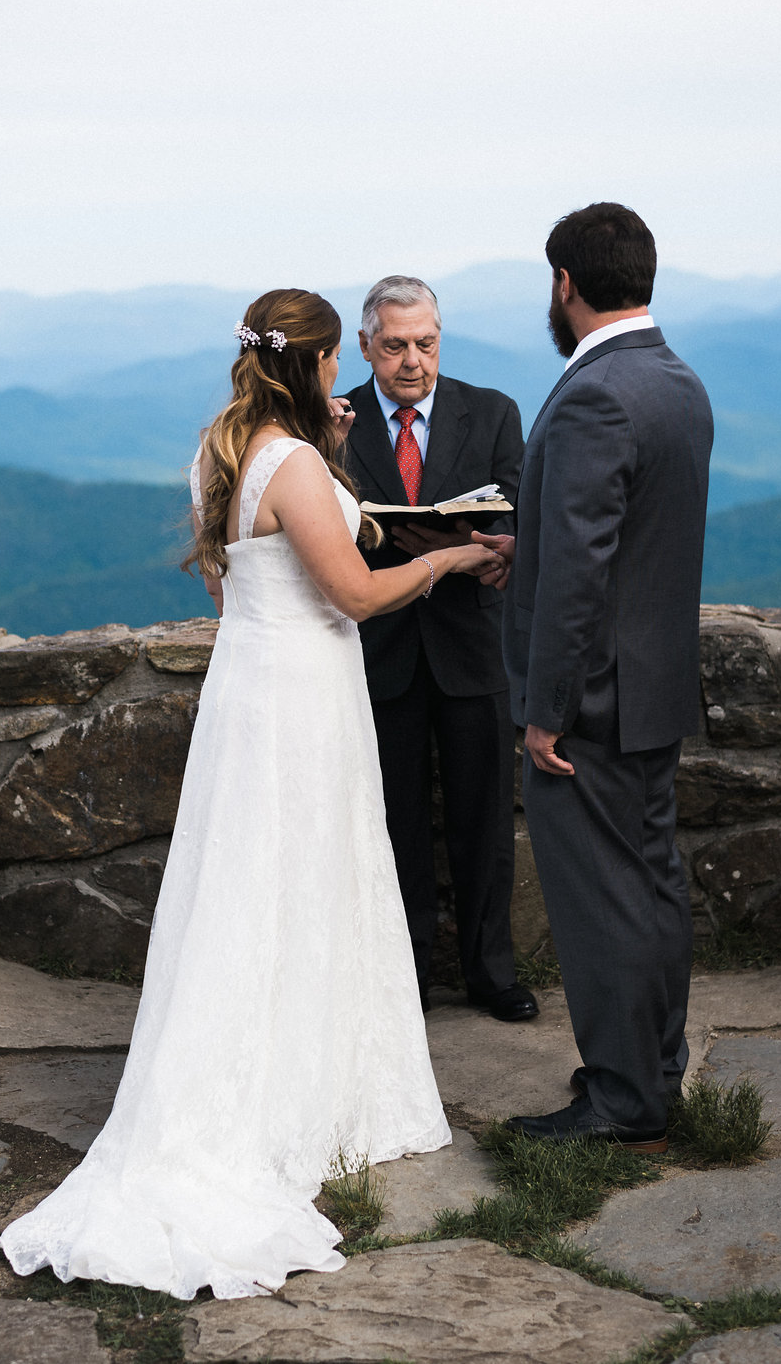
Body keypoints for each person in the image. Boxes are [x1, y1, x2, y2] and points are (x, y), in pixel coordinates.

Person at [0, 288, 502, 1300]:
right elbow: (354, 592)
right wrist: (450, 554)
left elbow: (233, 587)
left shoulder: (218, 453)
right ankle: (282, 1105)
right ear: (318, 362)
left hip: (250, 682)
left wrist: (327, 455)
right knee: (303, 885)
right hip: (304, 696)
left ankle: (280, 1076)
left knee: (250, 892)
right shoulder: (296, 461)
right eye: (332, 366)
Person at [477, 203, 713, 1153]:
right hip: (652, 686)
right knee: (652, 885)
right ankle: (651, 1071)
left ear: (563, 285)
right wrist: (519, 548)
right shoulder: (677, 382)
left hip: (593, 701)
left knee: (602, 902)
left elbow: (581, 570)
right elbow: (616, 541)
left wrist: (545, 711)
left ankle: (621, 1100)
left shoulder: (592, 395)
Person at [345, 275, 538, 1021]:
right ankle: (407, 980)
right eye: (394, 346)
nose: (413, 361)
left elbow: (522, 509)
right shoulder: (336, 420)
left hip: (471, 644)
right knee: (392, 823)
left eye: (425, 343)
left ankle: (493, 975)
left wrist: (505, 545)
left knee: (484, 819)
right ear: (366, 346)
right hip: (376, 647)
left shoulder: (491, 413)